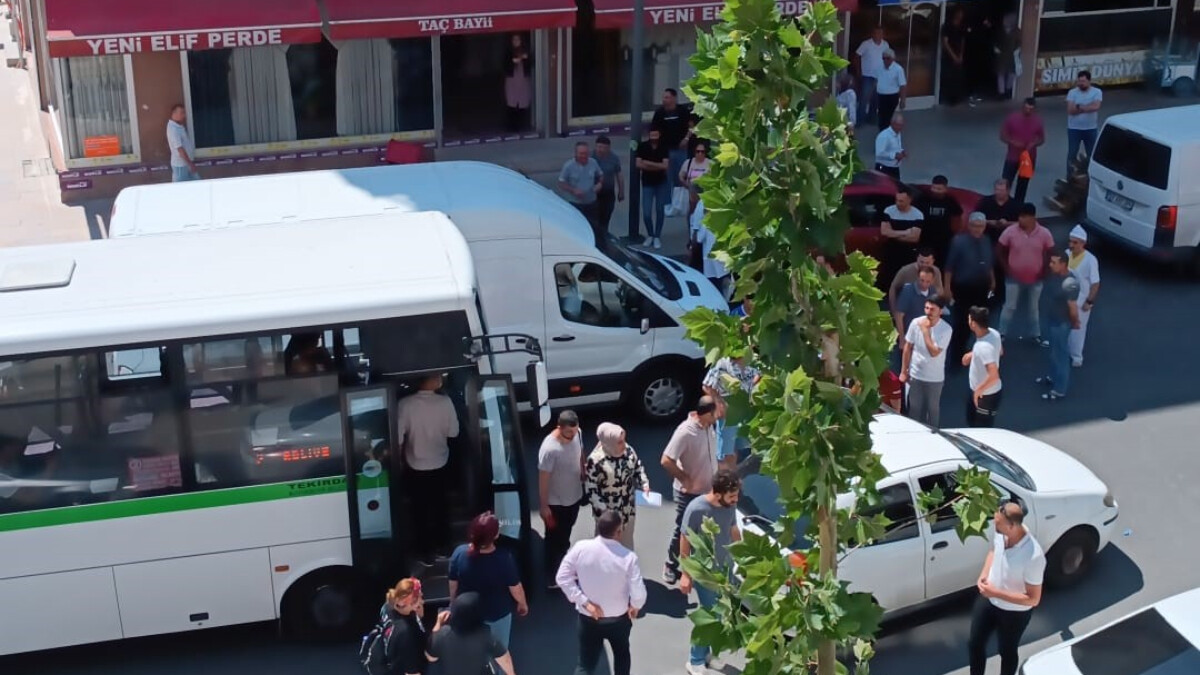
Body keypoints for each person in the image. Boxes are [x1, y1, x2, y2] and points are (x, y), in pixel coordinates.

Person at [556, 510, 647, 675]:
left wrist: (585, 602)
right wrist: (635, 606)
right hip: (618, 620)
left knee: (585, 664)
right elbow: (639, 593)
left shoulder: (580, 548)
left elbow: (562, 578)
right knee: (621, 656)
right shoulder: (628, 558)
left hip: (588, 618)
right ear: (619, 532)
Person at [967, 502, 1045, 675]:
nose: (994, 525)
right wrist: (984, 574)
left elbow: (1033, 599)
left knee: (1007, 651)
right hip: (988, 600)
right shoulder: (1002, 533)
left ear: (1011, 526)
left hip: (1014, 613)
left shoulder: (1034, 557)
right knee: (975, 644)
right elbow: (994, 550)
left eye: (998, 522)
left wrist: (995, 593)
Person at [678, 469, 743, 675]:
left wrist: (743, 556)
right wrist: (686, 574)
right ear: (717, 493)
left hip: (725, 571)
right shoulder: (696, 509)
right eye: (732, 496)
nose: (735, 500)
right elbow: (685, 539)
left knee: (722, 615)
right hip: (705, 574)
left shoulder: (729, 506)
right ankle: (695, 660)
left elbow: (733, 530)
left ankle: (709, 654)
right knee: (710, 617)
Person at [397, 373, 461, 564]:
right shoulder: (445, 402)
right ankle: (444, 545)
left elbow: (398, 438)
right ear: (429, 380)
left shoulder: (405, 404)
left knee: (419, 510)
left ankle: (425, 551)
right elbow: (454, 432)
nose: (441, 377)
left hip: (414, 464)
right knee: (441, 506)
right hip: (441, 461)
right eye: (438, 375)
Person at [660, 397, 719, 585]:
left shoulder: (709, 426)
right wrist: (685, 478)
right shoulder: (685, 432)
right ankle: (670, 565)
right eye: (715, 412)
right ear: (707, 413)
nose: (718, 415)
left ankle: (698, 564)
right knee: (683, 529)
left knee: (706, 529)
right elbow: (666, 460)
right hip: (688, 493)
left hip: (708, 489)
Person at [448, 513, 528, 648]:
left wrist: (453, 602)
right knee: (500, 650)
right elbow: (515, 588)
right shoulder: (504, 559)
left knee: (474, 649)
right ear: (495, 536)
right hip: (497, 612)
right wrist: (522, 604)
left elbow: (453, 582)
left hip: (469, 613)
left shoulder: (459, 553)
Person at [584, 423, 649, 551]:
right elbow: (591, 489)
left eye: (623, 440)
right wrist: (604, 511)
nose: (624, 445)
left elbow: (637, 468)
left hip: (627, 511)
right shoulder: (596, 460)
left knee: (626, 545)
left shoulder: (628, 451)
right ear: (609, 442)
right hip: (608, 514)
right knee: (606, 549)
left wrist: (644, 483)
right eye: (619, 442)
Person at [996, 203, 1055, 341]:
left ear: (1033, 217)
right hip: (1013, 277)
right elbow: (999, 250)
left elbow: (1051, 252)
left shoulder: (1044, 233)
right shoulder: (1010, 231)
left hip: (1036, 278)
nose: (1020, 220)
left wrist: (1045, 271)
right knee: (1009, 306)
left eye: (1024, 217)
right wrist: (1006, 268)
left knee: (1033, 308)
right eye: (1020, 217)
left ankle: (1036, 334)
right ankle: (1001, 333)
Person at [539, 410, 584, 589]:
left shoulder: (577, 434)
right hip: (556, 502)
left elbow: (581, 452)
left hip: (574, 496)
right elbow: (543, 478)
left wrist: (584, 472)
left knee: (565, 533)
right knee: (553, 538)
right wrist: (543, 506)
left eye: (574, 432)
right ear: (559, 428)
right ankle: (552, 574)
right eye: (568, 434)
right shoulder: (549, 449)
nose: (571, 437)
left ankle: (563, 562)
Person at [945, 213, 996, 363]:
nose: (977, 229)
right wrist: (947, 288)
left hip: (981, 288)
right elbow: (949, 267)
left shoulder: (987, 240)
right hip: (963, 288)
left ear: (984, 227)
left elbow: (989, 263)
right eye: (974, 225)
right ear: (969, 225)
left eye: (980, 226)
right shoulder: (958, 241)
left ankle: (977, 354)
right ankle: (955, 359)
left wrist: (992, 281)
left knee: (981, 321)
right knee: (961, 323)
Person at [427, 592, 517, 675]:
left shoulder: (442, 634)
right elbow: (504, 659)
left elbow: (431, 657)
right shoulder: (486, 635)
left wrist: (438, 623)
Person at [900, 294, 952, 428]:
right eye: (926, 308)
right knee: (914, 410)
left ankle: (934, 435)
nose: (928, 312)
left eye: (932, 309)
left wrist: (925, 332)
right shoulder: (915, 322)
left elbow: (934, 352)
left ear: (940, 311)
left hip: (934, 378)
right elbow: (908, 346)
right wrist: (904, 370)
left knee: (932, 411)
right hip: (915, 375)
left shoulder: (946, 329)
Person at [1036, 253, 1081, 401]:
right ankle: (1052, 377)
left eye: (1054, 262)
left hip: (1061, 323)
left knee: (1060, 355)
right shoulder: (1054, 276)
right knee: (1053, 352)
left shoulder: (1070, 283)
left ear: (1063, 264)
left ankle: (1059, 389)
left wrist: (1074, 322)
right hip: (1051, 319)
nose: (1050, 265)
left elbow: (1073, 308)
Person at [702, 356, 760, 469]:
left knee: (739, 447)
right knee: (726, 453)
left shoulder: (753, 361)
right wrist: (719, 403)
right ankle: (725, 481)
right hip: (728, 414)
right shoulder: (722, 363)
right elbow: (707, 385)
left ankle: (732, 477)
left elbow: (759, 376)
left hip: (746, 412)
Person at [1066, 225, 1100, 368]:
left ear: (1083, 243)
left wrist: (1089, 301)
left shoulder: (1090, 260)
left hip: (1081, 301)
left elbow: (1095, 283)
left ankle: (1076, 356)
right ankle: (1064, 351)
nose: (1071, 245)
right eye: (1070, 241)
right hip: (1066, 299)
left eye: (1075, 242)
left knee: (1078, 328)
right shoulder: (1066, 254)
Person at [892, 265, 938, 372]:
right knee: (906, 369)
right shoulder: (908, 290)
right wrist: (902, 338)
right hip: (910, 337)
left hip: (925, 337)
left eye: (928, 281)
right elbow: (899, 315)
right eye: (922, 280)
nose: (924, 284)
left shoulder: (933, 291)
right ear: (917, 278)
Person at [380, 578, 430, 675]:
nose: (422, 602)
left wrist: (419, 616)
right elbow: (412, 672)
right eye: (419, 599)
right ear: (406, 603)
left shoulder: (386, 606)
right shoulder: (406, 633)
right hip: (405, 666)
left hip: (391, 655)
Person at [879, 186, 925, 293]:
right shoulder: (889, 211)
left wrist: (894, 234)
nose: (898, 203)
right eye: (897, 200)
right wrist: (906, 232)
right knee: (889, 275)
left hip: (908, 252)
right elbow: (885, 232)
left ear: (909, 200)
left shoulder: (917, 215)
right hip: (891, 250)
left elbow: (914, 237)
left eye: (901, 201)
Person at [963, 307, 1003, 427]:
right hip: (982, 393)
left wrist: (978, 391)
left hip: (985, 396)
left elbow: (994, 376)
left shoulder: (983, 347)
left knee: (981, 429)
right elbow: (1000, 351)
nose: (968, 321)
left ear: (974, 324)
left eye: (969, 319)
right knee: (972, 421)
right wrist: (973, 354)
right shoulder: (994, 333)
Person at [999, 98, 1044, 202]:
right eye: (1026, 108)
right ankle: (1003, 203)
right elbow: (1002, 136)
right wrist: (1013, 142)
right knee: (1006, 182)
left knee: (1023, 185)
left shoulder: (1038, 121)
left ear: (1034, 110)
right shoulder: (1012, 118)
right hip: (1012, 157)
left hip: (1028, 159)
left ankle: (1018, 207)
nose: (1028, 111)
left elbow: (1041, 139)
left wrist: (1034, 143)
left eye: (1031, 109)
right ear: (1022, 107)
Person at [558, 142, 604, 240]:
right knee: (576, 230)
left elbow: (601, 175)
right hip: (575, 204)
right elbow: (561, 183)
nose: (584, 156)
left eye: (586, 153)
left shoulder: (593, 162)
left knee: (594, 228)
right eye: (581, 153)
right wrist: (573, 190)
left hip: (591, 203)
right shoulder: (568, 166)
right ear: (575, 153)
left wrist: (600, 183)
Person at [636, 127, 671, 249]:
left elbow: (665, 166)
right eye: (652, 135)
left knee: (660, 210)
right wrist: (658, 166)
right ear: (649, 135)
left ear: (659, 135)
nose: (654, 137)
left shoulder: (664, 147)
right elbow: (638, 164)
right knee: (646, 212)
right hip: (647, 183)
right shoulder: (642, 146)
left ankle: (657, 236)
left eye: (656, 134)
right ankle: (650, 234)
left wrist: (648, 163)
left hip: (661, 183)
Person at [689, 194, 730, 297]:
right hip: (724, 255)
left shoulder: (706, 222)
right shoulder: (724, 218)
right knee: (724, 279)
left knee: (713, 283)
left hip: (709, 258)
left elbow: (699, 238)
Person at [915, 175, 962, 265]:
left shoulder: (950, 201)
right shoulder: (923, 199)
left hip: (944, 240)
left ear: (945, 189)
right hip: (925, 239)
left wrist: (955, 234)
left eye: (939, 189)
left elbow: (957, 218)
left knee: (941, 263)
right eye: (934, 188)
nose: (936, 191)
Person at [651, 88, 691, 193]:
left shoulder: (682, 111)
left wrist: (686, 139)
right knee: (667, 179)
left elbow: (691, 127)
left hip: (680, 150)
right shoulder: (659, 113)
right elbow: (653, 130)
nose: (664, 100)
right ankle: (668, 204)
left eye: (667, 97)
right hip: (665, 152)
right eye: (663, 98)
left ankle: (681, 203)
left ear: (674, 98)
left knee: (681, 177)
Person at [1065, 70, 1103, 175]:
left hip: (1090, 128)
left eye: (1083, 81)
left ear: (1089, 81)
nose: (1081, 83)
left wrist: (1079, 106)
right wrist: (1087, 107)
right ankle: (1070, 176)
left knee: (1091, 154)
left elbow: (1096, 107)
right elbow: (1070, 110)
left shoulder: (1097, 92)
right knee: (1072, 153)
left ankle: (1090, 175)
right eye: (1079, 81)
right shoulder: (1072, 93)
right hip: (1074, 129)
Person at [854, 26, 890, 126]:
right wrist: (858, 71)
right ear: (873, 34)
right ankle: (859, 121)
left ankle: (871, 118)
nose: (878, 35)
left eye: (880, 33)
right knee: (864, 99)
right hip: (868, 76)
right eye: (876, 33)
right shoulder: (866, 44)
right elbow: (857, 56)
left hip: (880, 76)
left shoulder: (885, 44)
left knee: (876, 99)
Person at [593, 137, 624, 236]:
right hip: (593, 194)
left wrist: (621, 191)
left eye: (603, 147)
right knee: (594, 218)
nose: (600, 149)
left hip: (608, 193)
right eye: (598, 147)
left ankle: (603, 237)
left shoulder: (614, 158)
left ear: (609, 148)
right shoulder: (590, 157)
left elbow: (619, 174)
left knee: (606, 217)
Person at [503, 34, 532, 132]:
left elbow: (532, 63)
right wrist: (512, 62)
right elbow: (504, 65)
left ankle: (521, 125)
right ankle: (511, 126)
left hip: (523, 80)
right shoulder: (507, 52)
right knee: (511, 103)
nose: (516, 41)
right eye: (514, 39)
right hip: (512, 81)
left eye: (518, 39)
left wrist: (525, 58)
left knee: (523, 102)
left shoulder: (526, 51)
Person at [941, 8, 968, 107]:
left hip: (958, 54)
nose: (960, 16)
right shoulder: (947, 26)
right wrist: (953, 56)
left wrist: (960, 55)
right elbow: (945, 42)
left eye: (962, 14)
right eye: (959, 13)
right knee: (949, 76)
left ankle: (957, 97)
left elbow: (962, 41)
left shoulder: (961, 27)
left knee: (958, 76)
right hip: (949, 56)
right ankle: (949, 98)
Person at [876, 49, 907, 129]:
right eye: (884, 58)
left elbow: (902, 85)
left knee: (888, 117)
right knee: (881, 116)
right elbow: (876, 80)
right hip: (881, 96)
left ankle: (888, 135)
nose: (885, 60)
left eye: (888, 58)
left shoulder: (898, 69)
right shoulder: (879, 67)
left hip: (892, 97)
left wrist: (903, 100)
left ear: (892, 59)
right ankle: (882, 134)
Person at [167, 104, 199, 182]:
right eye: (181, 113)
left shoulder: (178, 126)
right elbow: (180, 149)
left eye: (184, 113)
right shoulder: (173, 130)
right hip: (180, 166)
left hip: (186, 163)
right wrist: (190, 164)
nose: (184, 115)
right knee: (180, 190)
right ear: (174, 114)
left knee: (198, 185)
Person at [994, 13, 1021, 99]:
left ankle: (1008, 90)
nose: (1004, 21)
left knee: (1011, 74)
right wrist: (995, 48)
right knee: (1001, 74)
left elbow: (1019, 43)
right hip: (1001, 55)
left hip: (1011, 56)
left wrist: (1016, 51)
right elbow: (995, 41)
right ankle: (1001, 93)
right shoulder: (999, 30)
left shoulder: (1017, 31)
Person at [874, 113, 906, 179]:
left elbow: (896, 147)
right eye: (898, 125)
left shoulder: (898, 133)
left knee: (896, 186)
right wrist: (894, 155)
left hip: (894, 167)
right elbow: (879, 153)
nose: (901, 128)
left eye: (902, 125)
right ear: (892, 123)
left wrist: (902, 151)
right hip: (883, 168)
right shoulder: (884, 136)